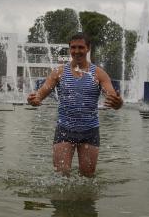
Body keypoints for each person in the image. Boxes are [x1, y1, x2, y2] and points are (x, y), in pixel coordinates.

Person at [27, 33, 123, 177]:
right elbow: (40, 95)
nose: (77, 51)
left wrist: (118, 103)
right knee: (61, 175)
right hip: (64, 130)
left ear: (88, 48)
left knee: (88, 176)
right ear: (69, 49)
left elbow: (112, 98)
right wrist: (34, 99)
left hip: (90, 131)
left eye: (81, 47)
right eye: (73, 47)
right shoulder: (59, 72)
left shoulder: (98, 74)